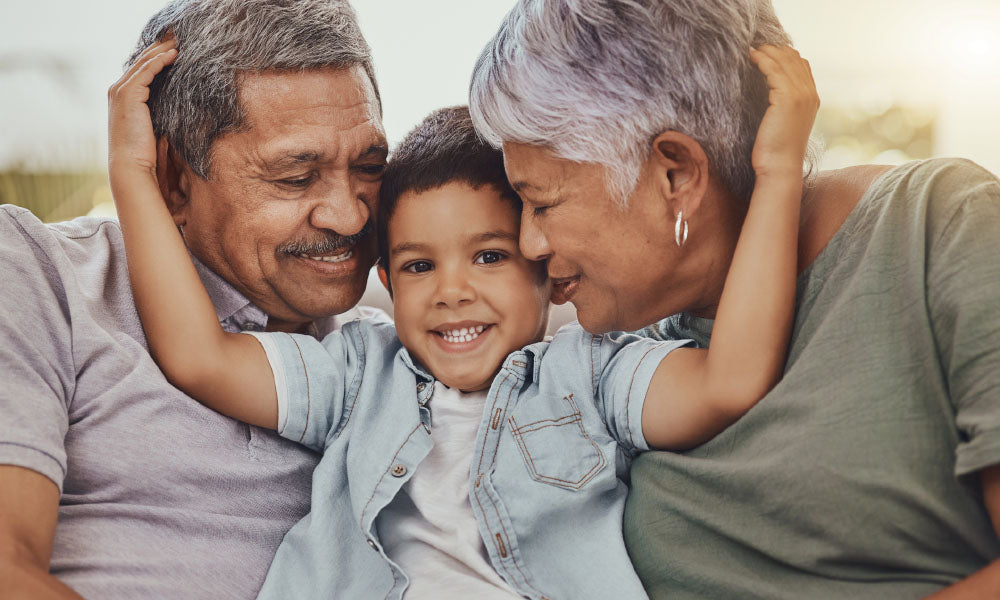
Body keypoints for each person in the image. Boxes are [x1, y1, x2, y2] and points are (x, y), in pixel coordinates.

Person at [108, 34, 817, 599]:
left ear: (546, 269)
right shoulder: (357, 374)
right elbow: (199, 357)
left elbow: (729, 382)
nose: (451, 291)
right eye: (419, 266)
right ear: (387, 282)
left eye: (489, 257)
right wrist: (136, 177)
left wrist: (778, 176)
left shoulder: (593, 374)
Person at [468, 0, 1000, 597]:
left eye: (542, 203)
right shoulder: (616, 350)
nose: (529, 244)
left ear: (677, 176)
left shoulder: (937, 226)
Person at [0, 1, 387, 598]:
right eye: (295, 177)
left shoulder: (394, 360)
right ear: (174, 181)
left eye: (370, 167)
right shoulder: (39, 273)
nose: (350, 215)